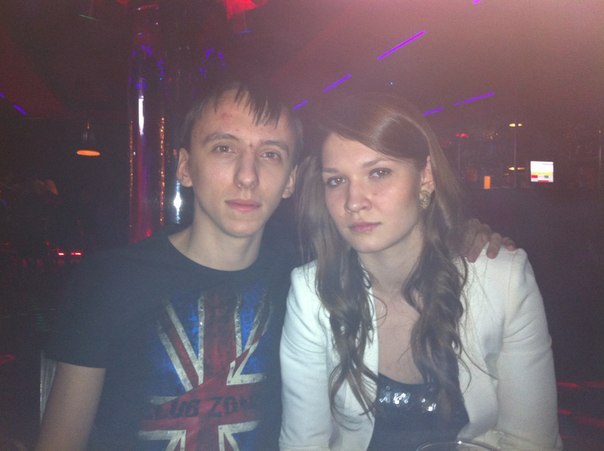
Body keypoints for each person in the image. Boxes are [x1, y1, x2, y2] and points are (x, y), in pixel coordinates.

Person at [37, 78, 507, 451]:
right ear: (184, 167)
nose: (247, 176)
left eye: (270, 154)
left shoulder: (311, 281)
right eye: (224, 148)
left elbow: (400, 250)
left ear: (291, 180)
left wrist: (461, 237)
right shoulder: (110, 280)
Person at [279, 93, 562, 450]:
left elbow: (530, 441)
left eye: (378, 173)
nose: (354, 201)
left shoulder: (502, 282)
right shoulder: (312, 294)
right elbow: (305, 443)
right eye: (336, 181)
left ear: (425, 176)